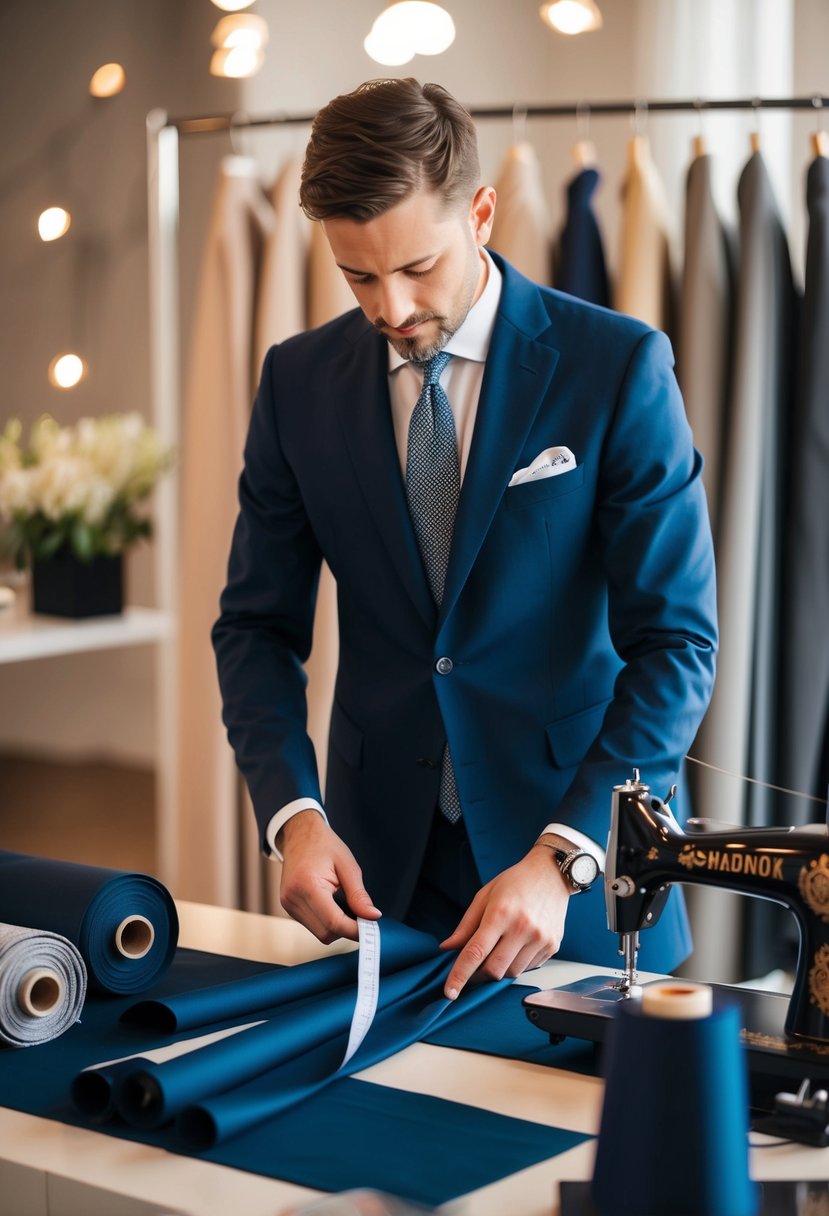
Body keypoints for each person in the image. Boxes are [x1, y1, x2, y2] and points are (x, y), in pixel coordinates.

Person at [212, 78, 717, 1000]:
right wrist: (293, 815)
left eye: (417, 267)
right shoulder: (297, 382)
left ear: (480, 213)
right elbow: (254, 626)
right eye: (357, 275)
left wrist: (567, 854)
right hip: (377, 876)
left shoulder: (616, 368)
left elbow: (676, 643)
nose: (389, 308)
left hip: (569, 878)